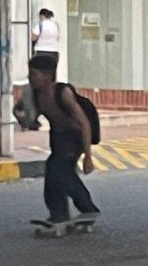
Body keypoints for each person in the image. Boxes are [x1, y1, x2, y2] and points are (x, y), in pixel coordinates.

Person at [27, 55, 99, 225]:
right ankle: (59, 212)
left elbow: (84, 123)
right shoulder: (35, 95)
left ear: (47, 75)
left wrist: (88, 156)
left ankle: (88, 209)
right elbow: (32, 121)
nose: (31, 79)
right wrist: (23, 116)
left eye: (34, 75)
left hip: (75, 136)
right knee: (53, 172)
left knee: (59, 169)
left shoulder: (63, 93)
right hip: (58, 137)